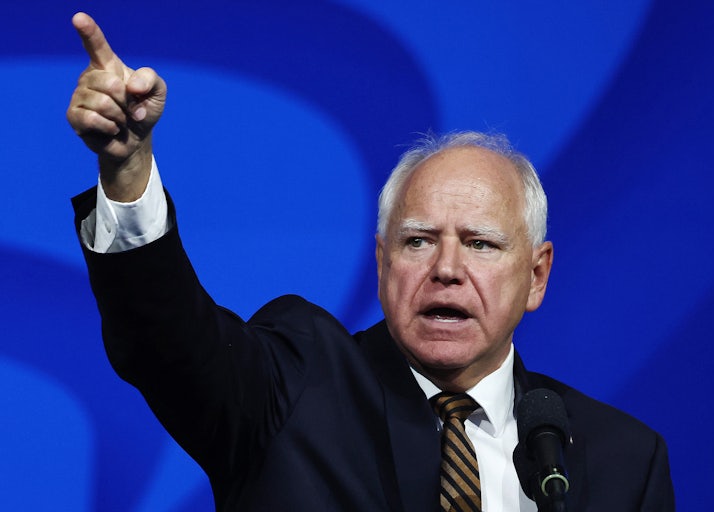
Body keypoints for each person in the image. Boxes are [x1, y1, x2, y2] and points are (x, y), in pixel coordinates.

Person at [67, 12, 674, 512]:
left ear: (536, 276)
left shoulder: (620, 458)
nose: (447, 268)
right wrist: (127, 169)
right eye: (418, 241)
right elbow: (168, 342)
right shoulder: (294, 389)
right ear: (382, 263)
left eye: (481, 244)